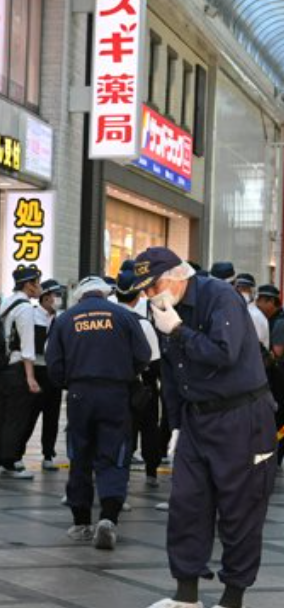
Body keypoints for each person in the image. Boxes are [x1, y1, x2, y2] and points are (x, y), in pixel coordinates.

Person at [132, 247, 277, 608]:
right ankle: (186, 597)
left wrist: (178, 330)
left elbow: (223, 354)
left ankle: (232, 599)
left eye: (155, 285)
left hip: (242, 416)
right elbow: (171, 370)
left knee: (240, 509)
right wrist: (178, 425)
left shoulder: (220, 296)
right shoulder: (163, 310)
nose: (151, 295)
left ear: (179, 274)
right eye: (145, 290)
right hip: (197, 418)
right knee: (187, 505)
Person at [46, 276, 151, 550]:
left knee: (79, 454)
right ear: (107, 294)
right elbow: (144, 354)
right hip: (116, 393)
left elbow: (53, 364)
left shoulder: (66, 319)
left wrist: (70, 382)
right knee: (113, 455)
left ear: (80, 296)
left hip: (80, 394)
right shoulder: (124, 316)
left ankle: (81, 521)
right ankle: (109, 518)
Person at [0, 265, 43, 479]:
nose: (39, 287)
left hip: (1, 368)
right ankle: (9, 464)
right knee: (16, 416)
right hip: (16, 367)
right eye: (37, 283)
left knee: (2, 415)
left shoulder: (5, 301)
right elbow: (27, 347)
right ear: (29, 285)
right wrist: (30, 377)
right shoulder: (25, 308)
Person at [115, 268, 163, 488]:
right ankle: (151, 471)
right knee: (149, 429)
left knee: (122, 434)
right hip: (141, 386)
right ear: (138, 295)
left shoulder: (108, 319)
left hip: (113, 386)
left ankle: (118, 476)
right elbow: (154, 362)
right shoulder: (143, 324)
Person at [22, 278, 64, 471]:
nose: (59, 299)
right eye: (56, 295)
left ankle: (48, 454)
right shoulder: (31, 315)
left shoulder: (60, 318)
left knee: (52, 415)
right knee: (29, 414)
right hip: (36, 369)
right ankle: (18, 452)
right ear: (46, 297)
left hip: (53, 371)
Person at [256, 284, 284, 467]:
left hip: (280, 378)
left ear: (271, 301)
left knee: (278, 417)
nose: (257, 304)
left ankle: (274, 455)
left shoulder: (279, 322)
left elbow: (277, 351)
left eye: (261, 300)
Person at [234, 274, 270, 352]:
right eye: (239, 288)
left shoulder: (257, 316)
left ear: (252, 291)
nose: (241, 292)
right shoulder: (234, 310)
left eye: (245, 289)